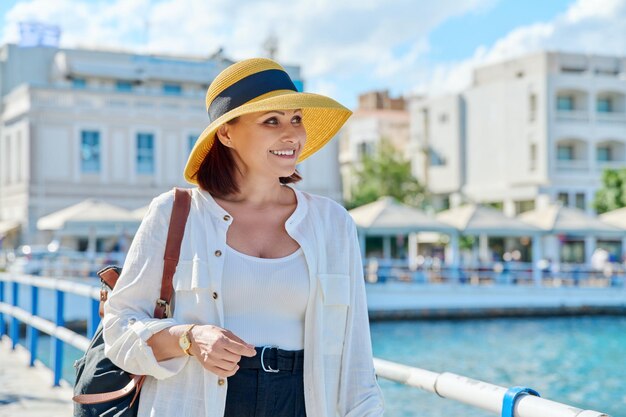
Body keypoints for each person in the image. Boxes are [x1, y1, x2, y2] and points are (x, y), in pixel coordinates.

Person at [103, 58, 384, 417]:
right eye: (272, 121)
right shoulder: (175, 214)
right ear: (226, 133)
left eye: (296, 119)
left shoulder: (332, 223)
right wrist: (189, 338)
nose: (292, 134)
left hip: (304, 404)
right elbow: (118, 326)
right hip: (198, 401)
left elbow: (356, 353)